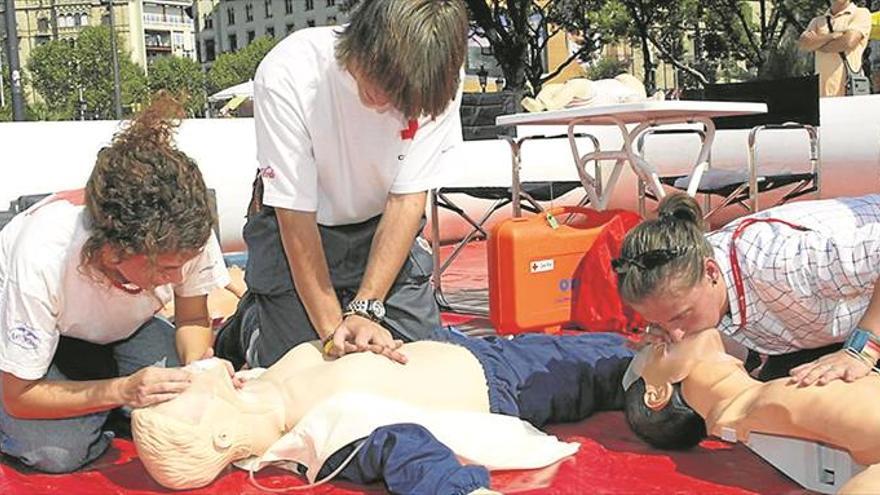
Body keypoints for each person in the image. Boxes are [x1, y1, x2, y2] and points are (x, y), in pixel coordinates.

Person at [215, 0, 469, 369]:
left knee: (417, 360)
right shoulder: (291, 71)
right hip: (297, 224)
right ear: (362, 38)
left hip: (379, 222)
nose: (382, 99)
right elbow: (295, 219)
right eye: (379, 78)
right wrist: (337, 337)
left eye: (399, 94)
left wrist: (366, 310)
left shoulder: (439, 76)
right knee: (302, 365)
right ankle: (250, 324)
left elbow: (406, 202)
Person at [0, 95, 232, 473]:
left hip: (123, 332)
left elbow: (191, 319)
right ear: (110, 252)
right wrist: (123, 391)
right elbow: (20, 395)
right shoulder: (43, 255)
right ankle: (95, 407)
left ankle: (97, 402)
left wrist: (197, 371)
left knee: (181, 400)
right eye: (165, 268)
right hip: (43, 342)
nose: (176, 279)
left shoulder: (184, 233)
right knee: (58, 453)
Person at [133, 330, 634, 492]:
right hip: (503, 381)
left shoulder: (257, 383)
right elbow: (404, 450)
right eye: (179, 396)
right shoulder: (323, 431)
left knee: (598, 345)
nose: (178, 380)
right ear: (222, 438)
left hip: (463, 347)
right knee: (619, 362)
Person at [614, 193, 880, 384]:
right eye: (658, 323)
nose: (677, 335)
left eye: (680, 316)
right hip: (832, 321)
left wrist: (863, 349)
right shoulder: (688, 273)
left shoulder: (783, 261)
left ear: (711, 272)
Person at [623, 327, 880, 493]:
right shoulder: (763, 404)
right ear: (656, 394)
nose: (670, 330)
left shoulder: (767, 396)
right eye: (655, 347)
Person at [798, 0, 872, 97]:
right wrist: (831, 36)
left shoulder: (861, 13)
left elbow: (848, 42)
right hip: (821, 94)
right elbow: (803, 44)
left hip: (849, 92)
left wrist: (816, 44)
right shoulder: (817, 21)